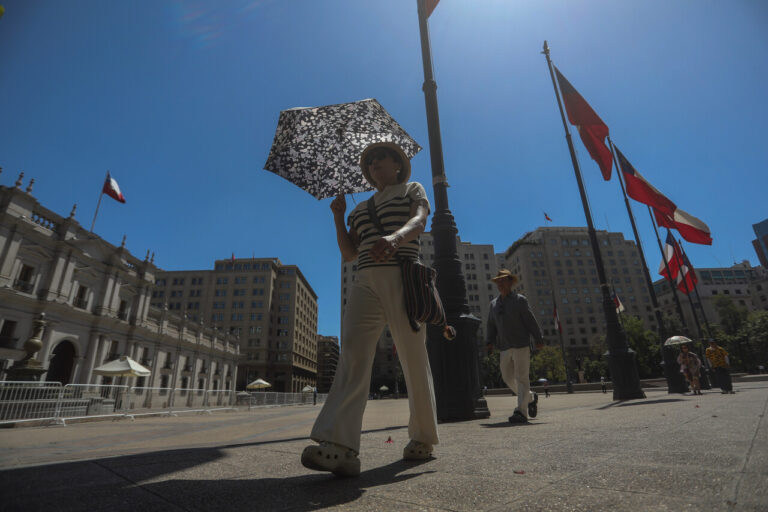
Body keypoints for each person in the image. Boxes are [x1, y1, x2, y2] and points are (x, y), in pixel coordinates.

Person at [301, 141, 438, 477]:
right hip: (363, 281)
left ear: (398, 164)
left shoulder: (412, 188)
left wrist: (396, 237)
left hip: (402, 276)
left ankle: (423, 438)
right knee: (353, 356)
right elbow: (349, 252)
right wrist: (337, 217)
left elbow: (421, 219)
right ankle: (340, 446)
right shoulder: (359, 208)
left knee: (413, 358)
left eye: (382, 159)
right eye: (371, 162)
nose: (375, 165)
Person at [487, 269, 543, 424]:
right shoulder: (493, 304)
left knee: (521, 377)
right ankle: (530, 397)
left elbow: (530, 321)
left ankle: (521, 412)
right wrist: (489, 342)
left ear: (511, 282)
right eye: (498, 281)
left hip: (521, 344)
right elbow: (491, 325)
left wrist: (539, 338)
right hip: (504, 347)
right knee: (507, 377)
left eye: (503, 280)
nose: (500, 283)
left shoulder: (520, 300)